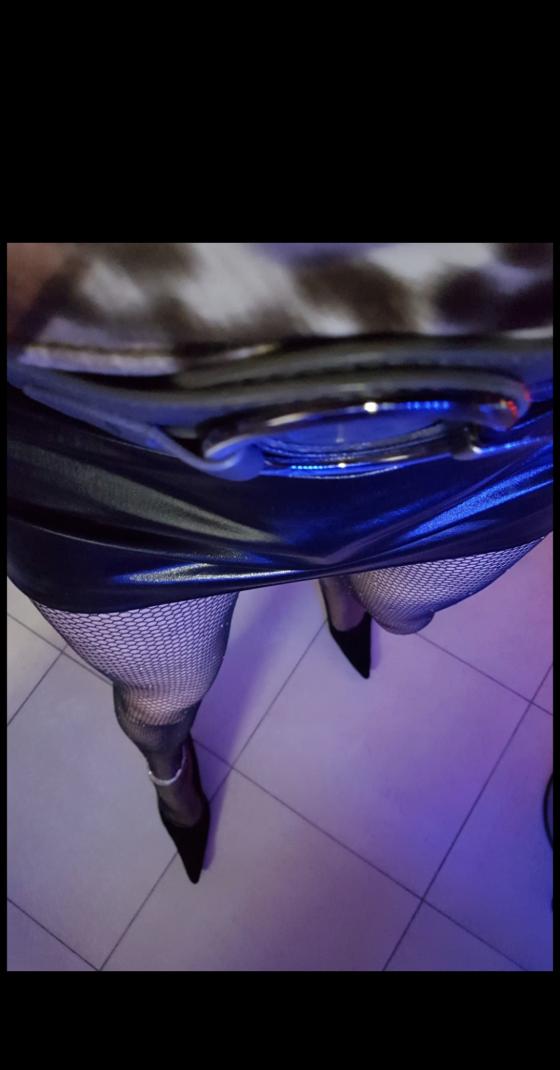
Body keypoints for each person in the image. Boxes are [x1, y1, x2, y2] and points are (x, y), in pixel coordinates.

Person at [7, 242, 553, 883]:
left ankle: (342, 582)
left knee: (404, 607)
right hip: (112, 462)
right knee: (165, 692)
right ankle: (168, 773)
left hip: (479, 440)